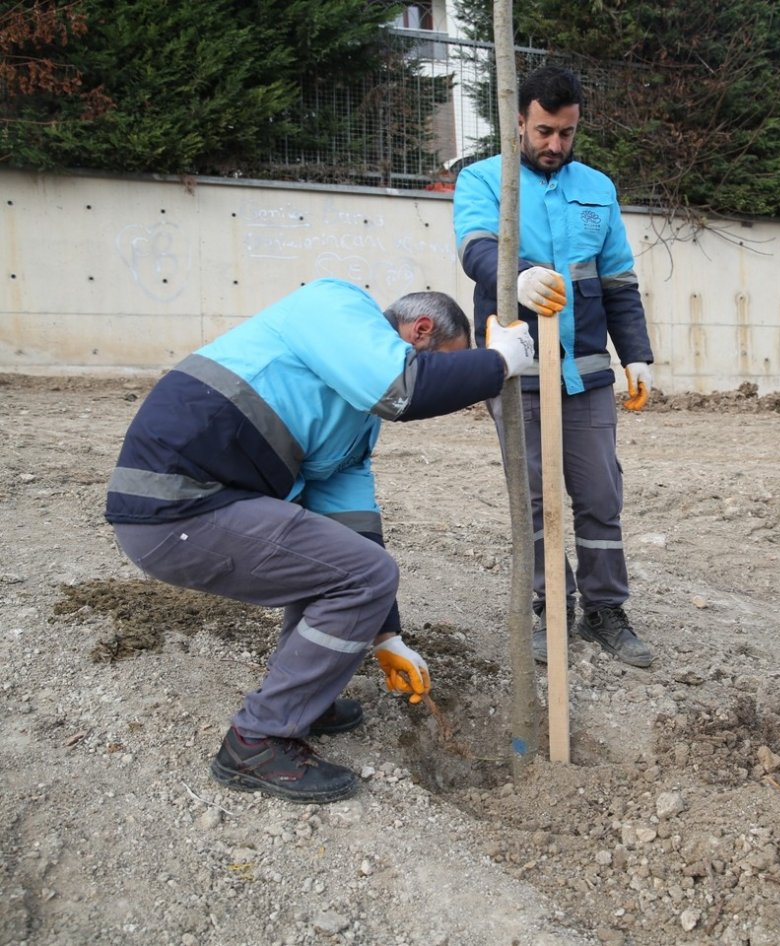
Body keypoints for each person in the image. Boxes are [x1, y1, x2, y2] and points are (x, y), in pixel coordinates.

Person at [105, 279, 536, 803]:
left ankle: (304, 697)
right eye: (449, 361)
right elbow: (409, 387)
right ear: (420, 332)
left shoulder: (354, 423)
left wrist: (386, 636)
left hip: (205, 506)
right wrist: (498, 363)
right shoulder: (332, 304)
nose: (453, 377)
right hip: (173, 507)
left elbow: (349, 532)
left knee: (345, 564)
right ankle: (258, 740)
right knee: (362, 576)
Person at [453, 65, 656, 668]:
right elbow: (474, 247)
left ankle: (605, 609)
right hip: (518, 373)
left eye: (565, 134)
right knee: (535, 500)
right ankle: (551, 608)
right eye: (543, 131)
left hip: (586, 374)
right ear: (520, 121)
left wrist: (636, 353)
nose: (554, 146)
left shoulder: (597, 187)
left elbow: (618, 280)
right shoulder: (484, 180)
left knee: (599, 495)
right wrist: (514, 274)